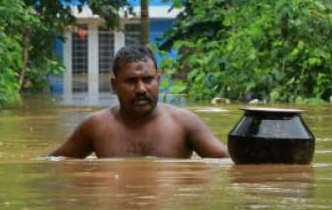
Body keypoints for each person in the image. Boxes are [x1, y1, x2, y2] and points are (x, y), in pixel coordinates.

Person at [50, 45, 229, 159]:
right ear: (114, 85)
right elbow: (53, 162)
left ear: (158, 79)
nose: (141, 89)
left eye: (148, 79)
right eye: (131, 81)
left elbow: (228, 161)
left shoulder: (185, 123)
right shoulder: (96, 127)